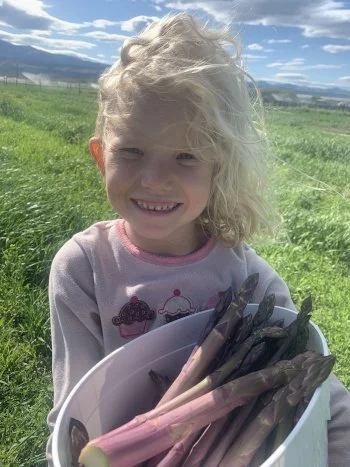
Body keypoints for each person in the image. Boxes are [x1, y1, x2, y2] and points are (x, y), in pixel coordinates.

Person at [46, 13, 350, 466]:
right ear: (100, 156)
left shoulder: (246, 275)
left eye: (186, 156)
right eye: (132, 150)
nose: (154, 179)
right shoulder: (83, 267)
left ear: (217, 169)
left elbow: (315, 384)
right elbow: (74, 413)